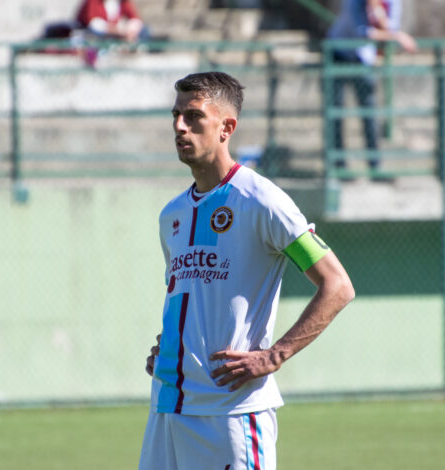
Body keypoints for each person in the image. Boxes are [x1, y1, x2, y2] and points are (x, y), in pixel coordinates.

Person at [139, 72, 355, 470]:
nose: (179, 126)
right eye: (175, 116)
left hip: (232, 413)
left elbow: (337, 285)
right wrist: (173, 346)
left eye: (193, 116)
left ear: (226, 127)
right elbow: (193, 300)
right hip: (167, 410)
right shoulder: (172, 214)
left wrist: (275, 355)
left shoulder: (262, 201)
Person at [327, 0, 417, 179]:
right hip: (339, 53)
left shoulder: (392, 3)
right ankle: (338, 167)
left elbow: (390, 27)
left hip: (362, 58)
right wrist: (397, 36)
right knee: (336, 111)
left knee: (369, 111)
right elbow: (362, 32)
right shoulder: (353, 3)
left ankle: (375, 167)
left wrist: (380, 16)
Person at [75, 0, 148, 42]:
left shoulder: (123, 2)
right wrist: (116, 30)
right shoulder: (93, 1)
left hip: (116, 32)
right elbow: (93, 23)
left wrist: (130, 30)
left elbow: (135, 19)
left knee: (144, 30)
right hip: (91, 32)